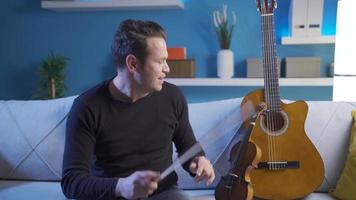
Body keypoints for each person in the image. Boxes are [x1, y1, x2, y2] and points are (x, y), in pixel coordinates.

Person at [61, 19, 215, 200]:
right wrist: (121, 187)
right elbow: (72, 181)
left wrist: (198, 161)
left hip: (164, 194)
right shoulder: (87, 106)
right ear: (133, 64)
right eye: (160, 61)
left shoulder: (173, 96)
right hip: (111, 195)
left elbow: (187, 146)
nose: (167, 68)